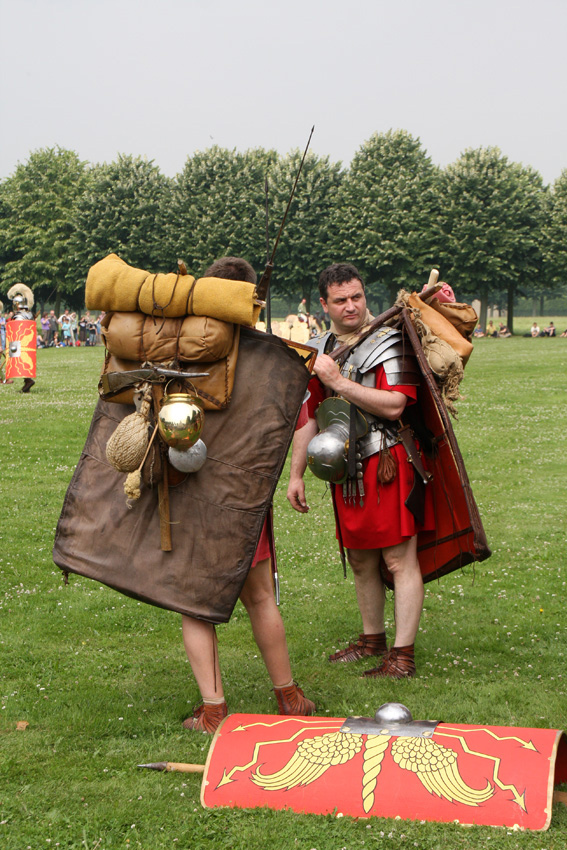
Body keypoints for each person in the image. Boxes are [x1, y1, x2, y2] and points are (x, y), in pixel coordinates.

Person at [181, 256, 315, 733]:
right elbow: (303, 424)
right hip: (244, 498)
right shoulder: (277, 356)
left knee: (195, 604)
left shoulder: (182, 351)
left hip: (197, 498)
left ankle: (214, 710)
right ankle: (289, 697)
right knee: (259, 599)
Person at [287, 263, 434, 679]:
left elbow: (394, 404)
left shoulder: (390, 341)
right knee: (361, 560)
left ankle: (402, 656)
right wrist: (296, 475)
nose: (351, 306)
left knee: (398, 559)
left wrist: (339, 380)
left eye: (357, 297)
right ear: (323, 304)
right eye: (341, 300)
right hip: (344, 468)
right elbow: (309, 418)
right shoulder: (319, 348)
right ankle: (373, 640)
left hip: (388, 460)